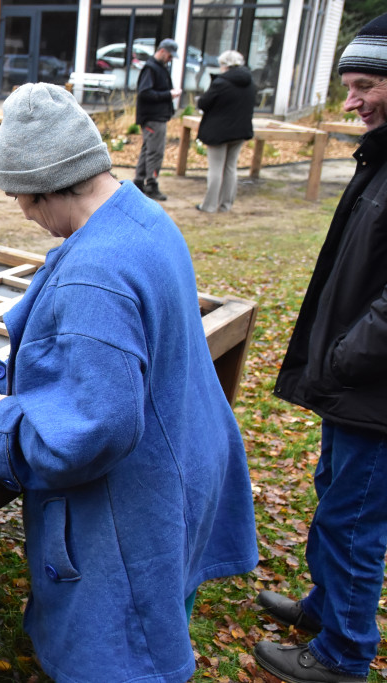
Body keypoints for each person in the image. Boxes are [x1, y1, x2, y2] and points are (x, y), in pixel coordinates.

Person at [0, 83, 258, 682]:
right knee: (164, 606)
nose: (21, 212)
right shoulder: (141, 215)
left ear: (42, 183)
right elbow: (106, 360)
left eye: (18, 195)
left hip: (133, 509)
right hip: (185, 467)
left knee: (126, 654)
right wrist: (6, 387)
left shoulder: (95, 274)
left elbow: (91, 433)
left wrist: (6, 422)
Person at [252, 13, 387, 683]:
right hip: (355, 383)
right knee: (336, 498)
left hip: (374, 388)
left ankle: (343, 654)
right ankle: (325, 607)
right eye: (350, 84)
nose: (353, 100)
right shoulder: (382, 152)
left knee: (354, 521)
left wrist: (347, 354)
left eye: (366, 84)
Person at [195, 50, 256, 213]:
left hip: (218, 132)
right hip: (240, 131)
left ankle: (208, 206)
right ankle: (226, 205)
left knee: (215, 169)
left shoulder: (221, 83)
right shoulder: (250, 82)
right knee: (230, 168)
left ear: (224, 65)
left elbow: (204, 103)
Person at [133, 38, 182, 201]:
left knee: (148, 149)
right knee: (155, 151)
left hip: (155, 116)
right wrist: (169, 95)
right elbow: (145, 93)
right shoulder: (151, 68)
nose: (170, 59)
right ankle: (151, 184)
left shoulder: (159, 68)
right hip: (153, 117)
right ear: (162, 51)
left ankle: (139, 182)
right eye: (169, 56)